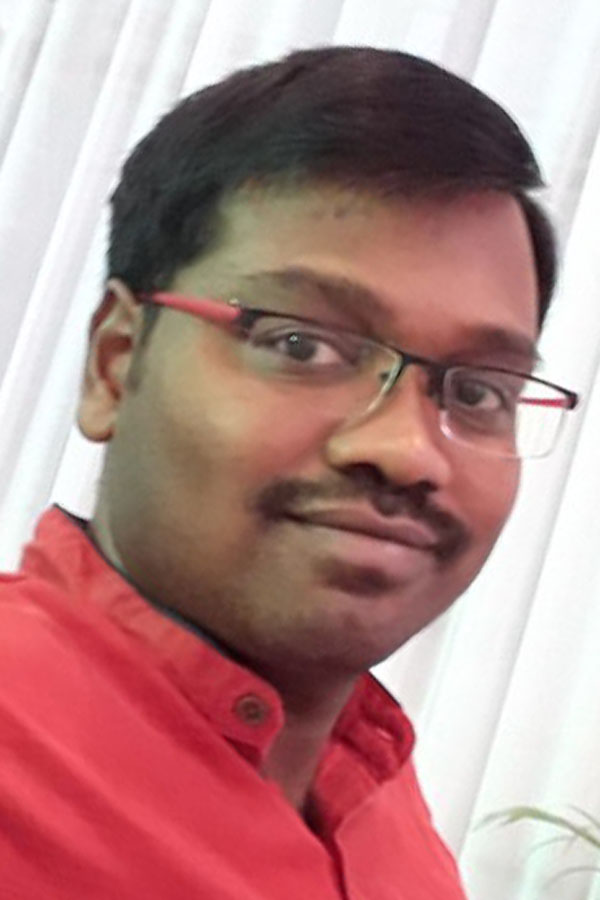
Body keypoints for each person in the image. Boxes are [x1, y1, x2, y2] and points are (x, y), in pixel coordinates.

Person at [0, 45, 579, 899]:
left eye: (478, 391)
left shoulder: (385, 812)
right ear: (116, 364)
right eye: (301, 345)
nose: (407, 450)